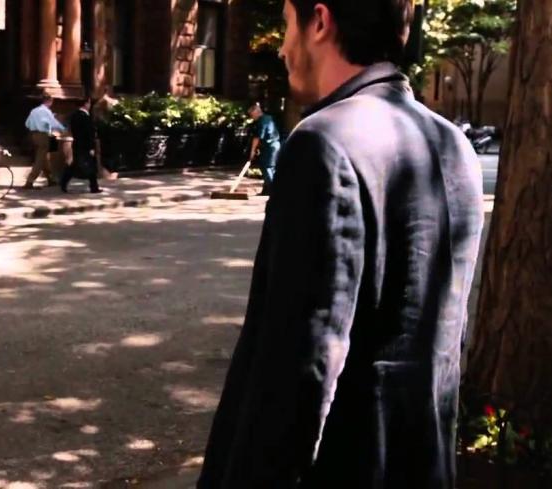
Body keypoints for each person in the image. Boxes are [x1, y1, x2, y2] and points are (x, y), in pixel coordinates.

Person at [198, 1, 484, 487]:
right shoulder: (454, 144)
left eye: (286, 25)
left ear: (320, 21)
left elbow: (300, 366)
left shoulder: (323, 142)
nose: (282, 48)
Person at [24, 91, 67, 189]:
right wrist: (62, 129)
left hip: (33, 135)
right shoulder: (46, 112)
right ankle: (30, 181)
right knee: (40, 159)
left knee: (43, 157)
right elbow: (53, 123)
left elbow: (27, 123)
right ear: (49, 101)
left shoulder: (34, 111)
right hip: (42, 136)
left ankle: (50, 178)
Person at [61, 98, 101, 193]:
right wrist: (91, 147)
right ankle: (94, 187)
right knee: (89, 166)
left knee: (76, 165)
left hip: (77, 144)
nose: (90, 105)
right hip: (85, 145)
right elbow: (88, 133)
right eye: (89, 103)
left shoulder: (74, 115)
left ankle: (64, 182)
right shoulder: (85, 116)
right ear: (86, 104)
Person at [247, 101, 281, 196]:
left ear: (256, 112)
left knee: (267, 167)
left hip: (270, 146)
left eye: (252, 114)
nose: (251, 117)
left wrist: (252, 151)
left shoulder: (262, 121)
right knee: (267, 167)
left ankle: (274, 192)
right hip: (273, 145)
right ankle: (266, 190)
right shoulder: (268, 118)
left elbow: (257, 137)